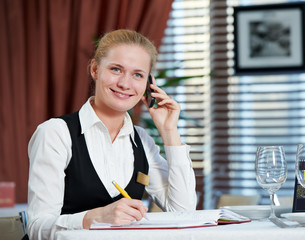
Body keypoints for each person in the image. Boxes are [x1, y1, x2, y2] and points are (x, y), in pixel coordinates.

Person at [27, 29, 197, 239]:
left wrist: (169, 131)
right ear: (95, 69)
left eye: (138, 75)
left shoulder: (142, 141)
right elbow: (36, 228)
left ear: (148, 85)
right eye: (116, 69)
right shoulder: (55, 134)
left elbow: (184, 213)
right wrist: (93, 218)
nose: (125, 84)